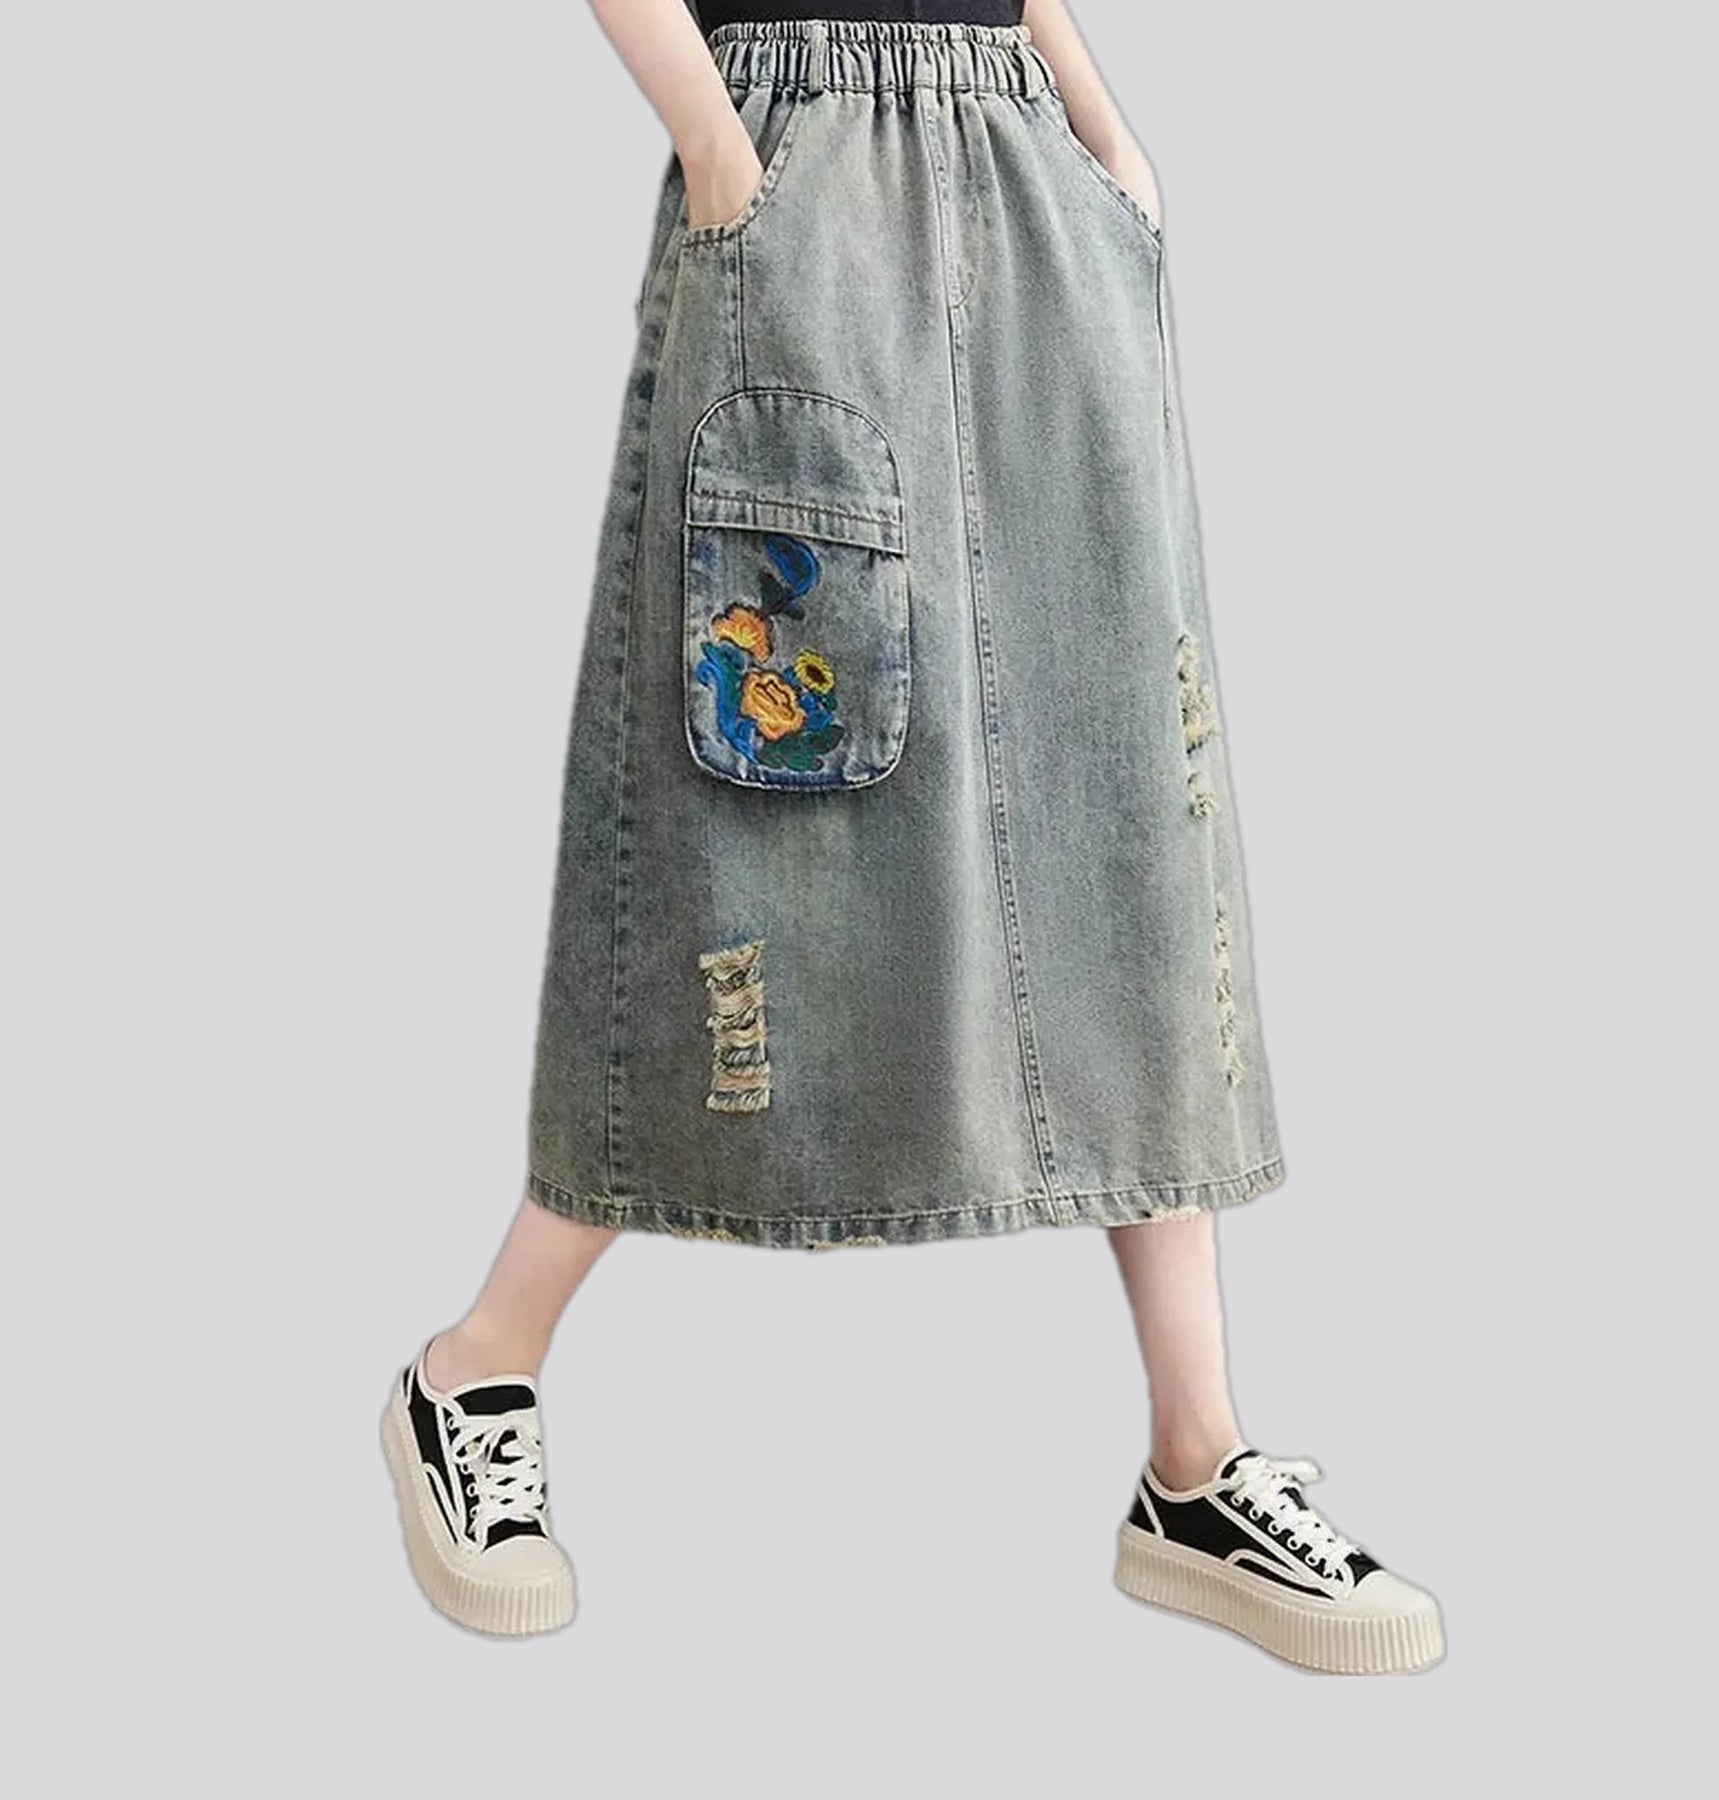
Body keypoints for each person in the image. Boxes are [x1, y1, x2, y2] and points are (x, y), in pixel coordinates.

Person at [380, 0, 1444, 1675]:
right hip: (796, 164)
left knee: (1119, 797)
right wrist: (723, 152)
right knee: (756, 806)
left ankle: (1196, 1460)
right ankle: (474, 1369)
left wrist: (1102, 133)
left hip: (1029, 167)